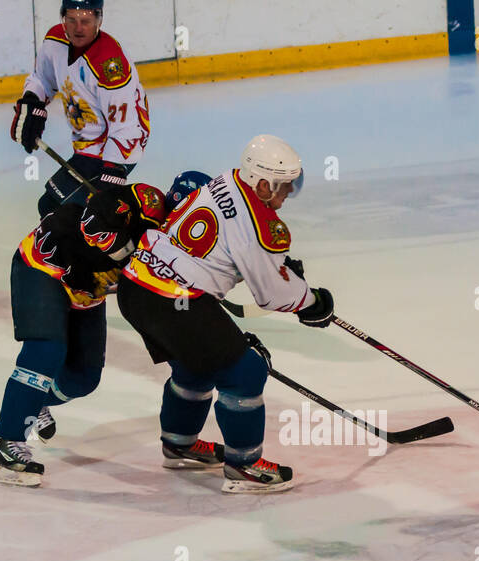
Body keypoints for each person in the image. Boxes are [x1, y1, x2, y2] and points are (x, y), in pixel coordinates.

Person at [115, 136, 335, 494]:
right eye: (284, 186)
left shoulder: (225, 180)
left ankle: (179, 443)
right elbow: (272, 295)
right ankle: (244, 466)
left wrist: (277, 266)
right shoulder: (261, 223)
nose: (289, 192)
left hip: (138, 288)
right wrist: (312, 302)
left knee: (196, 363)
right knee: (245, 371)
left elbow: (233, 252)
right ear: (262, 183)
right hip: (174, 300)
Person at [0, 182, 168, 487]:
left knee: (83, 378)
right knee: (47, 350)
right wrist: (87, 274)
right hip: (43, 269)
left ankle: (33, 401)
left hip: (85, 291)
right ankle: (3, 442)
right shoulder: (99, 213)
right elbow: (61, 223)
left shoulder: (164, 226)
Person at [10, 1, 151, 217]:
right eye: (71, 20)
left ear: (99, 20)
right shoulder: (54, 40)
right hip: (86, 144)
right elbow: (41, 79)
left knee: (60, 211)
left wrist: (113, 172)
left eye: (85, 21)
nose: (78, 28)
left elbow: (127, 125)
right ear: (63, 19)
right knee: (56, 210)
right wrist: (32, 100)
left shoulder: (109, 64)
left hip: (114, 146)